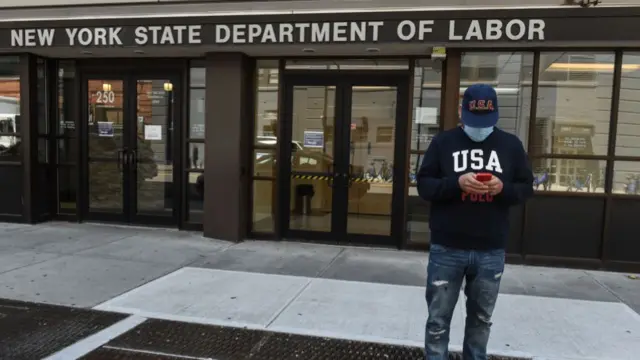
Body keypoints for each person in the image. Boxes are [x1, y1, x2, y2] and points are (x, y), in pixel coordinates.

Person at [417, 84, 534, 360]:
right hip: (447, 247)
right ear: (461, 111)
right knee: (438, 320)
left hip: (490, 249)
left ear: (495, 114)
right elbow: (424, 185)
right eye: (473, 121)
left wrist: (501, 188)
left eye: (484, 122)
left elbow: (526, 188)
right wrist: (456, 183)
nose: (478, 129)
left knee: (481, 321)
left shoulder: (511, 145)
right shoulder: (443, 143)